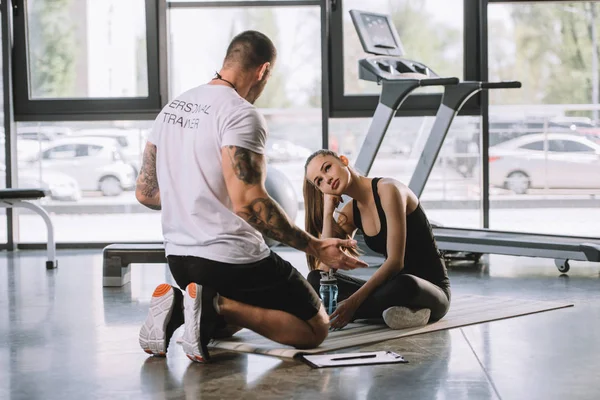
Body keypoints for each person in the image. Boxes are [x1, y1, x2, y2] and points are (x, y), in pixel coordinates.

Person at [135, 31, 368, 363]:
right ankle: (215, 302)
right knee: (314, 327)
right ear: (263, 71)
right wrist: (313, 245)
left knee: (226, 323)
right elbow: (248, 204)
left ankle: (178, 306)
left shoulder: (171, 110)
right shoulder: (240, 113)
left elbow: (145, 192)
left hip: (180, 260)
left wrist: (191, 195)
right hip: (231, 258)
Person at [303, 149, 451, 331]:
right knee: (315, 279)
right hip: (389, 289)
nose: (327, 179)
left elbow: (395, 263)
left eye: (327, 168)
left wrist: (353, 303)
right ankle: (390, 311)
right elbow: (325, 268)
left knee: (405, 283)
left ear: (343, 160)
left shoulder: (388, 190)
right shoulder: (351, 211)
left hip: (427, 289)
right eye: (319, 181)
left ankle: (356, 311)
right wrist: (328, 214)